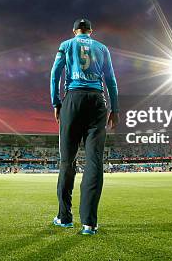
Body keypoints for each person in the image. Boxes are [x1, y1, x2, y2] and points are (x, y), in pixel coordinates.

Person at [50, 18, 119, 235]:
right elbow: (111, 81)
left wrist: (56, 103)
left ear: (74, 31)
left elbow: (55, 75)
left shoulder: (66, 45)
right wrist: (114, 109)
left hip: (73, 98)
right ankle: (89, 223)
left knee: (67, 161)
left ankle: (64, 217)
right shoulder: (102, 48)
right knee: (94, 162)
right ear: (91, 31)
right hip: (97, 101)